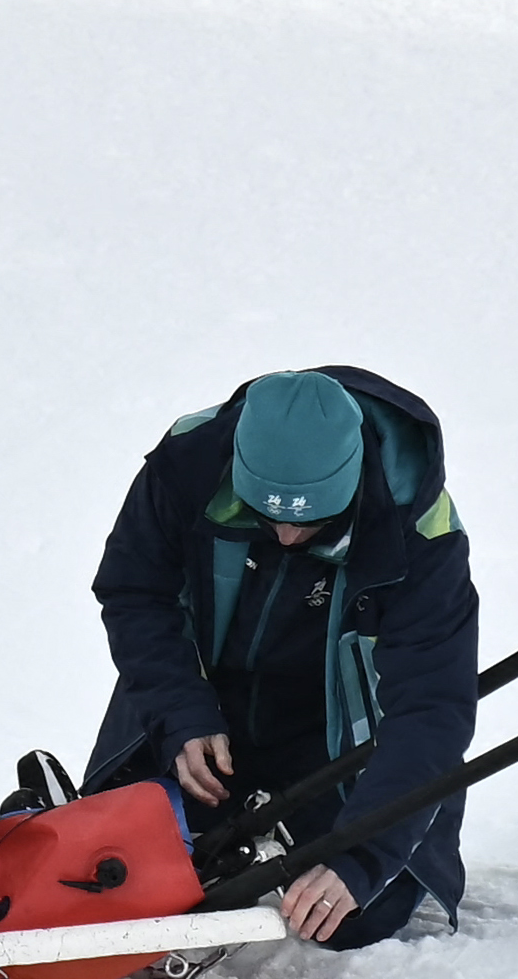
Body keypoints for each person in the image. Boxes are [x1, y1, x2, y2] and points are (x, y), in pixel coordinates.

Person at [77, 367, 475, 949]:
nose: (286, 537)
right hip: (207, 712)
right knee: (107, 871)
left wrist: (363, 857)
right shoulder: (187, 464)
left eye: (310, 520)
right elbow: (135, 593)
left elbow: (432, 707)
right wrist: (181, 714)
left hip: (338, 735)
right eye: (268, 517)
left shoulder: (420, 524)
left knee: (353, 915)